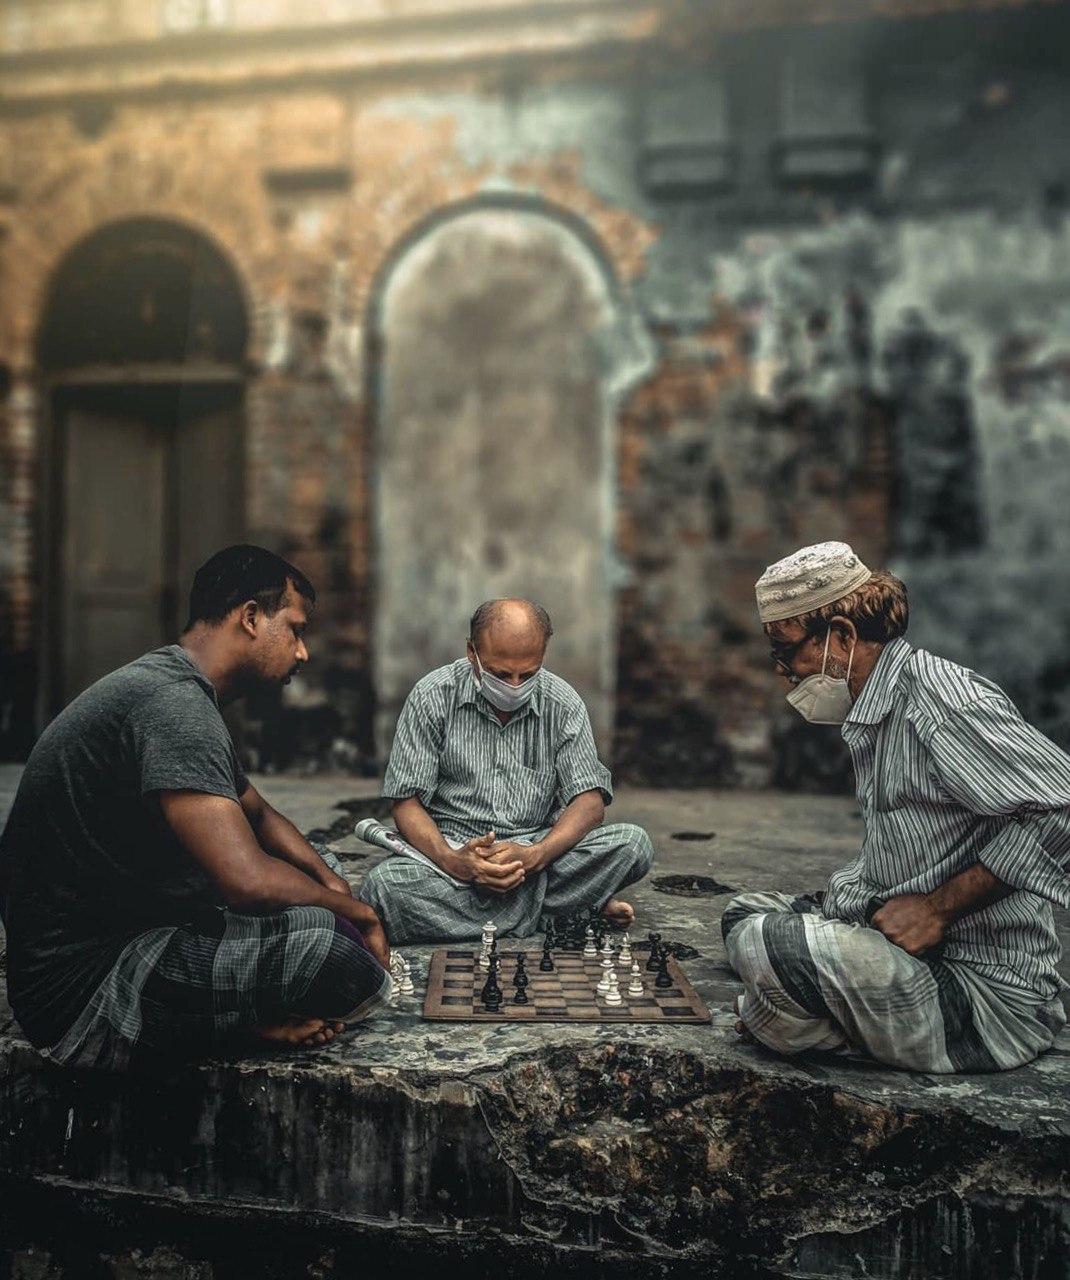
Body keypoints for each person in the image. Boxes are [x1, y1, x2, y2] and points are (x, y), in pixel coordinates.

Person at [0, 545, 390, 1071]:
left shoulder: (178, 689)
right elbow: (247, 882)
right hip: (88, 993)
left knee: (321, 869)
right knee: (334, 954)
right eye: (295, 630)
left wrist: (330, 884)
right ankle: (232, 1018)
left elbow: (260, 814)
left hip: (140, 926)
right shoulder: (174, 707)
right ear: (250, 618)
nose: (303, 653)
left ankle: (236, 1012)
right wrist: (357, 912)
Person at [723, 541, 1068, 1073]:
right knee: (741, 914)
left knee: (768, 946)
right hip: (897, 940)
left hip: (977, 986)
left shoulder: (943, 704)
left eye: (786, 651)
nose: (782, 671)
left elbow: (1061, 810)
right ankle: (808, 1014)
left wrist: (936, 909)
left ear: (841, 635)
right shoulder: (878, 704)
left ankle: (797, 1019)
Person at [358, 598, 653, 945]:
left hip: (537, 850)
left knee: (633, 844)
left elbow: (589, 803)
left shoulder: (563, 703)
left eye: (527, 674)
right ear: (472, 653)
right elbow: (406, 803)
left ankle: (501, 915)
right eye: (501, 674)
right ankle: (561, 912)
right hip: (454, 856)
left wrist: (535, 857)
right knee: (385, 888)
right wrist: (455, 862)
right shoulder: (432, 697)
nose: (514, 686)